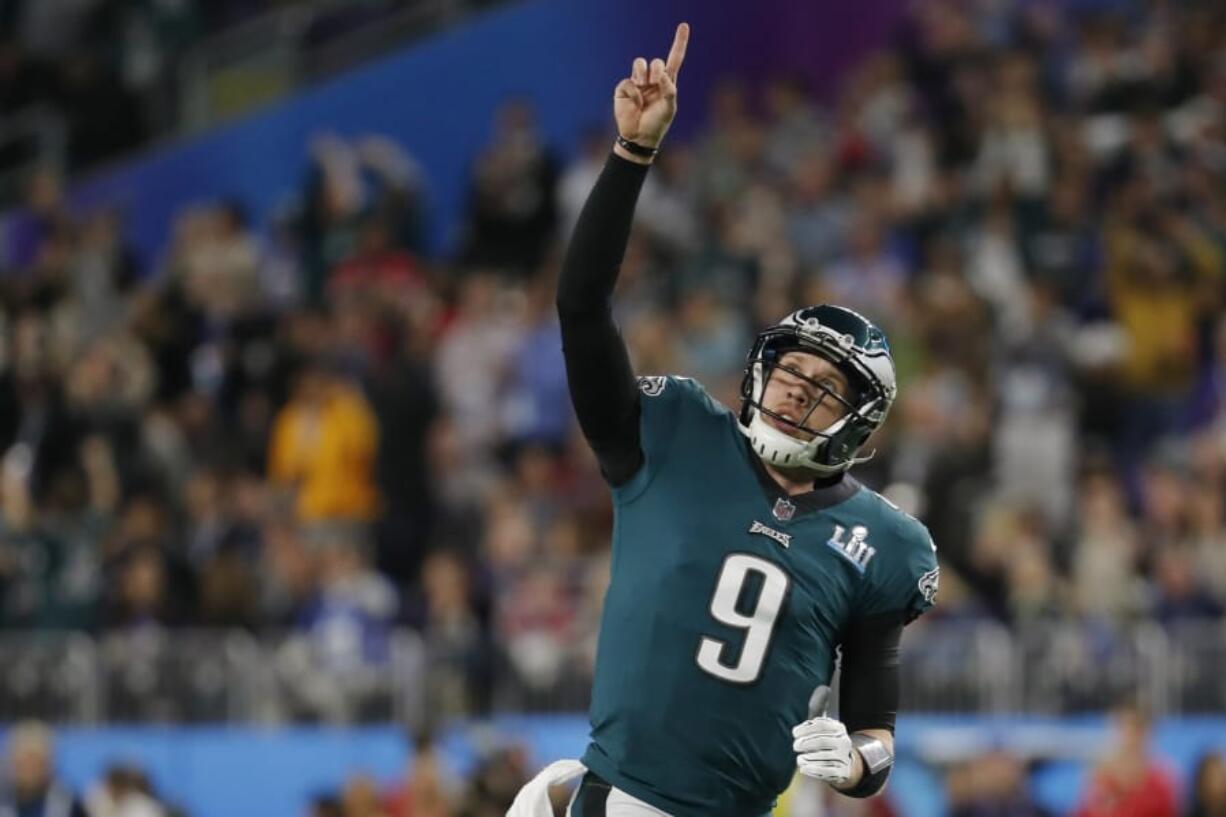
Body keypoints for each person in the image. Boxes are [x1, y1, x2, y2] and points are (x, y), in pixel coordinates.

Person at [508, 22, 939, 817]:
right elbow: (579, 306)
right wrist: (631, 155)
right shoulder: (674, 431)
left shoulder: (886, 544)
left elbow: (877, 729)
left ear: (861, 429)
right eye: (791, 370)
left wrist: (855, 760)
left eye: (824, 389)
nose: (795, 391)